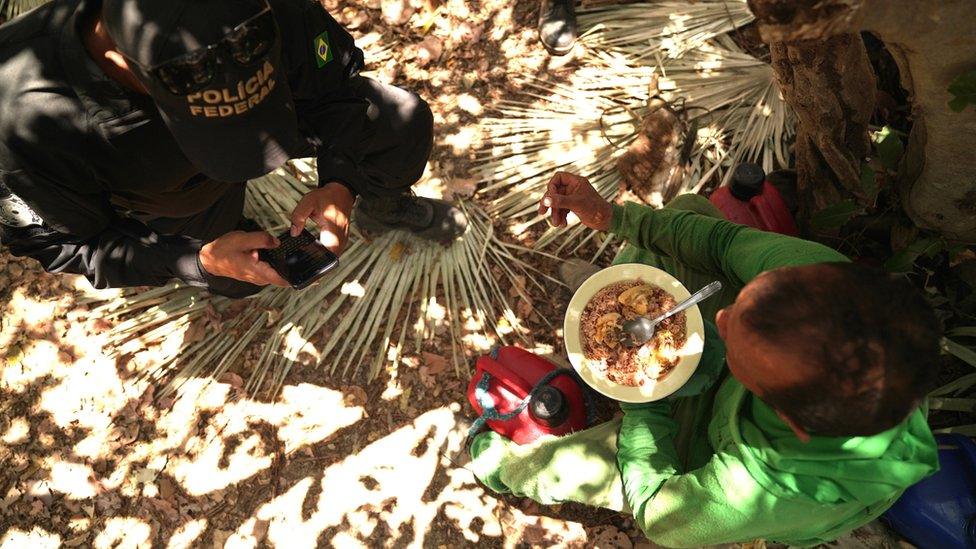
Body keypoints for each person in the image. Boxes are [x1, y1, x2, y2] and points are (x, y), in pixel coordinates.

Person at [469, 172, 941, 547]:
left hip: (711, 443)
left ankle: (500, 467)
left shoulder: (773, 486)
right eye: (743, 305)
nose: (717, 316)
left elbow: (658, 513)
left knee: (573, 468)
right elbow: (720, 244)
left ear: (791, 421)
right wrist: (612, 216)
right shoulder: (820, 283)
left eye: (736, 347)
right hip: (746, 392)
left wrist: (641, 395)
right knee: (689, 211)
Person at [0, 0, 466, 298]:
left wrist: (341, 180)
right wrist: (195, 261)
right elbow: (73, 245)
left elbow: (334, 83)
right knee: (235, 275)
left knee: (395, 120)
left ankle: (381, 207)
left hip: (282, 117)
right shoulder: (20, 120)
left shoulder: (254, 7)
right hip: (169, 197)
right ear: (127, 64)